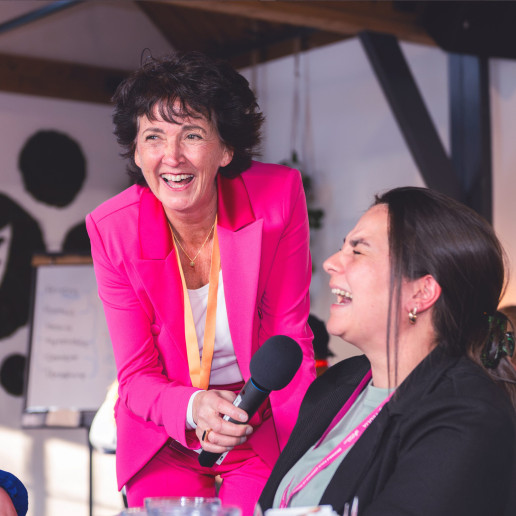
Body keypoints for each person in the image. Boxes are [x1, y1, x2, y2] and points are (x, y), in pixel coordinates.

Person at [86, 51, 315, 514]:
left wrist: (305, 453)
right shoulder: (113, 230)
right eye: (153, 137)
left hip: (256, 419)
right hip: (163, 427)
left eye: (192, 135)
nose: (172, 157)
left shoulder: (277, 198)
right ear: (136, 151)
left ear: (226, 149)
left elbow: (289, 337)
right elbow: (136, 376)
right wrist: (193, 407)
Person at [258, 186, 516, 516]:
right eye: (342, 248)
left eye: (358, 251)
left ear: (421, 293)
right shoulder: (336, 386)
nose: (330, 263)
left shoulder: (467, 414)